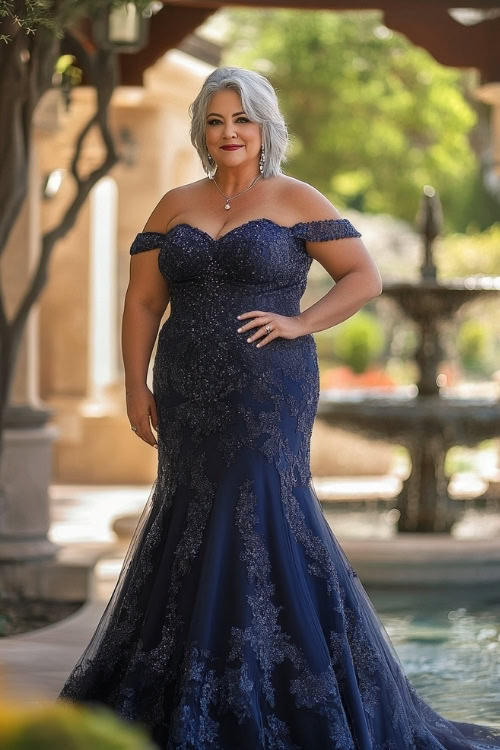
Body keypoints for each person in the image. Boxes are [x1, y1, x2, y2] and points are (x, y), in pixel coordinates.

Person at [57, 66, 500, 750]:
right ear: (201, 130)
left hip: (269, 391)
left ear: (265, 127)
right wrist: (133, 383)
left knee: (264, 511)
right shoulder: (174, 203)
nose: (228, 132)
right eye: (214, 120)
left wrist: (302, 322)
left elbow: (364, 276)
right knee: (187, 513)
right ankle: (183, 690)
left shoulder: (295, 197)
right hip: (184, 389)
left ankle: (281, 690)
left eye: (241, 119)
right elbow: (143, 300)